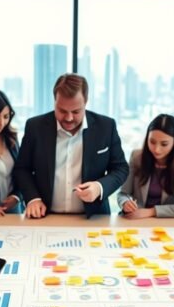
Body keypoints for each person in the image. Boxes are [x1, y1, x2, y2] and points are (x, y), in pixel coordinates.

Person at [14, 74, 129, 218]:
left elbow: (121, 168)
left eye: (75, 112)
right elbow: (22, 169)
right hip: (46, 216)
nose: (68, 118)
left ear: (85, 102)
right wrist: (33, 198)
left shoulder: (105, 127)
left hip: (93, 218)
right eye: (62, 111)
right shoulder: (35, 127)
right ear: (54, 101)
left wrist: (99, 187)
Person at [117, 114, 174, 218]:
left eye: (164, 144)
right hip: (138, 222)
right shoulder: (137, 157)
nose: (157, 149)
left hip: (169, 222)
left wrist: (150, 212)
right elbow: (123, 194)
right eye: (152, 142)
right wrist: (125, 203)